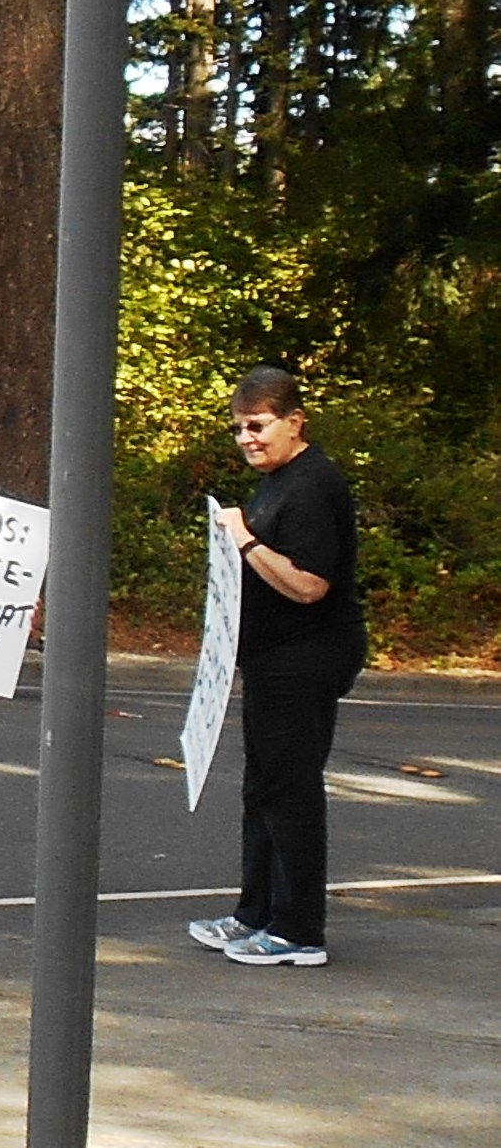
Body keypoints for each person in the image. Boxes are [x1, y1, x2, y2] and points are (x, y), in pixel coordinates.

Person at [191, 365, 364, 970]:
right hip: (271, 660)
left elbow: (311, 584)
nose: (247, 438)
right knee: (261, 786)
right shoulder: (277, 481)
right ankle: (254, 913)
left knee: (291, 791)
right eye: (239, 428)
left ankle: (298, 930)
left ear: (295, 422)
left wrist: (242, 539)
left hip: (306, 659)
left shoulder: (313, 485)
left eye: (258, 425)